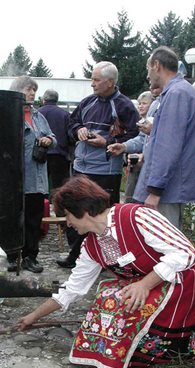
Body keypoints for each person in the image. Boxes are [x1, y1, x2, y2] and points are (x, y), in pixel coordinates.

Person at [15, 175, 195, 368]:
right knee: (106, 298)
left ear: (82, 210)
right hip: (142, 285)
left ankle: (155, 350)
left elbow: (185, 252)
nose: (68, 224)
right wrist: (33, 316)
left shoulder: (137, 216)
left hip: (178, 283)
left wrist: (144, 285)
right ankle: (111, 354)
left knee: (121, 307)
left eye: (68, 217)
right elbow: (73, 287)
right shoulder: (91, 245)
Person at [56, 61, 139, 269]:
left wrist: (107, 143)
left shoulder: (125, 106)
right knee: (74, 210)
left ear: (110, 82)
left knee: (103, 216)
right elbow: (71, 124)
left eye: (96, 80)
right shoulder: (87, 102)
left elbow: (135, 137)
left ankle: (107, 259)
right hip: (81, 167)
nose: (92, 84)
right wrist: (79, 131)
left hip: (106, 171)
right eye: (92, 79)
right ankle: (75, 256)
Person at [133, 46, 195, 229]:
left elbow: (168, 146)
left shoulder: (176, 94)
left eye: (148, 68)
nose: (148, 75)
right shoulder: (179, 92)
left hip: (166, 192)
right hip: (168, 188)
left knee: (165, 246)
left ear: (156, 65)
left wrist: (155, 190)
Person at [7, 76, 57, 274]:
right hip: (14, 178)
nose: (32, 93)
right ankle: (12, 256)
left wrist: (47, 140)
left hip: (36, 178)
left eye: (34, 90)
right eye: (29, 89)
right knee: (12, 219)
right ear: (18, 90)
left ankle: (30, 256)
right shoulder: (9, 114)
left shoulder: (38, 116)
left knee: (34, 220)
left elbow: (54, 139)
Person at [107, 90, 154, 202]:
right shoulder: (140, 121)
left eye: (144, 103)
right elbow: (140, 139)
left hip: (146, 169)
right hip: (133, 166)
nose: (141, 106)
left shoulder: (152, 122)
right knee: (130, 197)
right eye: (140, 103)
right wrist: (124, 146)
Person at [38, 89, 72, 192]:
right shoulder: (65, 114)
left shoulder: (37, 113)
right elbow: (70, 135)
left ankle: (42, 206)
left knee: (40, 185)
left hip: (40, 154)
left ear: (44, 100)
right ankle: (58, 206)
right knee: (60, 187)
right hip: (60, 155)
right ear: (56, 100)